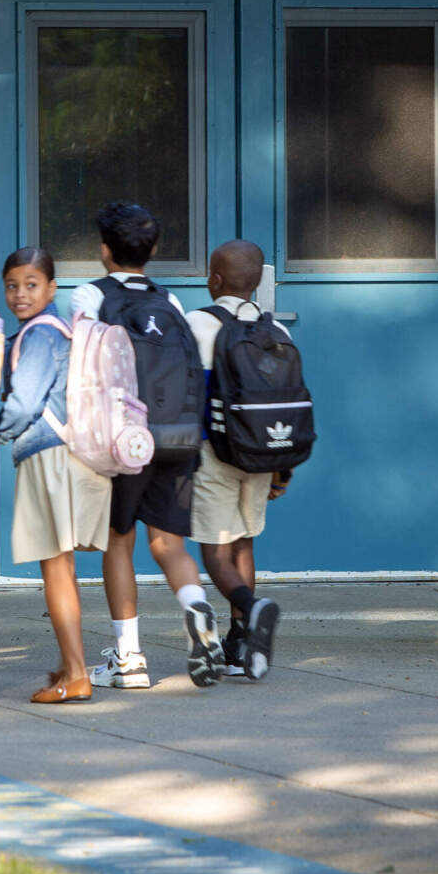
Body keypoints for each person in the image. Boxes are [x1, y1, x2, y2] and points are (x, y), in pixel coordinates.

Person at [68, 201, 224, 689]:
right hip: (177, 440)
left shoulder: (90, 295)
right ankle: (196, 606)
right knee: (169, 542)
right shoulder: (172, 302)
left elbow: (79, 368)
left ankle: (128, 659)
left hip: (124, 442)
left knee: (120, 541)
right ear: (153, 250)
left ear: (103, 251)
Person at [0, 246, 112, 703]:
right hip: (73, 456)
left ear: (51, 288)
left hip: (49, 457)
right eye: (12, 285)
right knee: (62, 568)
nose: (20, 294)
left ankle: (77, 677)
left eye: (31, 285)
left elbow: (23, 404)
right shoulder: (60, 330)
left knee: (56, 570)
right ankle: (71, 664)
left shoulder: (40, 335)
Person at [187, 239, 283, 680]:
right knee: (245, 541)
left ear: (215, 279)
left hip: (215, 455)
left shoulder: (197, 325)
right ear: (259, 282)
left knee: (214, 552)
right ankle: (241, 641)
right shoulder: (278, 332)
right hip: (262, 457)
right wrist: (283, 467)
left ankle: (253, 607)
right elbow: (287, 405)